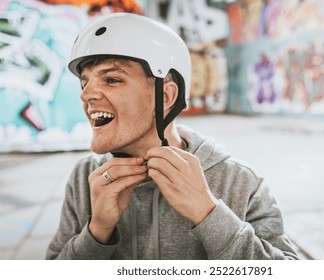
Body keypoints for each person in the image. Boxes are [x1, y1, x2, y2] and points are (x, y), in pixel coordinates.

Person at [46, 12, 298, 260]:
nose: (86, 95)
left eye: (111, 79)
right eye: (84, 83)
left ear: (166, 96)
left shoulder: (240, 182)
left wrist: (207, 212)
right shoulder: (84, 178)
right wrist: (96, 233)